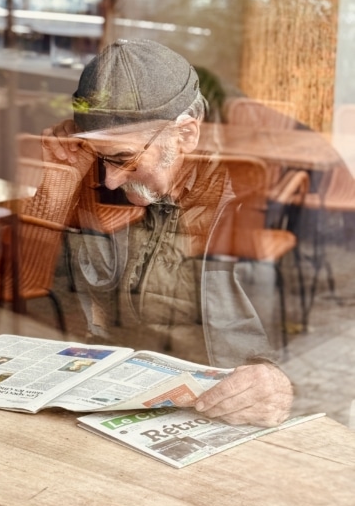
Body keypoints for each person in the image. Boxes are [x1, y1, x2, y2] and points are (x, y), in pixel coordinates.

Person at [42, 38, 294, 427]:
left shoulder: (258, 198)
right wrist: (62, 185)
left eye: (125, 159)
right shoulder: (108, 191)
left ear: (186, 135)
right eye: (101, 158)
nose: (110, 179)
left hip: (231, 417)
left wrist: (286, 382)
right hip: (129, 403)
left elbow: (338, 321)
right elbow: (53, 297)